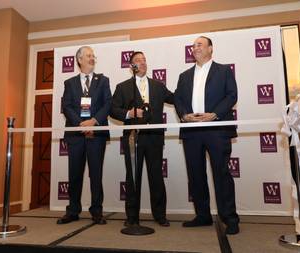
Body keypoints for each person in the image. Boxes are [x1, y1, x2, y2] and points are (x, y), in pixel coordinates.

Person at [174, 36, 240, 234]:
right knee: (196, 175)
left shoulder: (224, 71)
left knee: (221, 173)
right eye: (193, 46)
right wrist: (185, 115)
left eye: (199, 45)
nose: (195, 48)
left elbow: (231, 95)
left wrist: (215, 114)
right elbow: (178, 98)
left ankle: (230, 218)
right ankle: (202, 215)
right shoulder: (184, 75)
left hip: (217, 129)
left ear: (211, 49)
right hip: (192, 131)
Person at [111, 51, 174, 227]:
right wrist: (128, 113)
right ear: (131, 66)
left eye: (144, 60)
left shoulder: (158, 85)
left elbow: (175, 98)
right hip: (133, 138)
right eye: (138, 60)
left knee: (156, 177)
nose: (143, 62)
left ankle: (160, 215)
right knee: (132, 178)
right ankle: (132, 217)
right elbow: (113, 109)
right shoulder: (123, 87)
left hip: (154, 138)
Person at [58, 46, 111, 225]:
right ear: (79, 60)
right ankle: (73, 211)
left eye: (93, 56)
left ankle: (97, 211)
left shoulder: (103, 80)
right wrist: (80, 124)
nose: (92, 58)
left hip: (96, 133)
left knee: (96, 174)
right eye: (88, 56)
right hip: (76, 135)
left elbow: (108, 103)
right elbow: (67, 106)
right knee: (74, 174)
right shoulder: (69, 83)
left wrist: (94, 121)